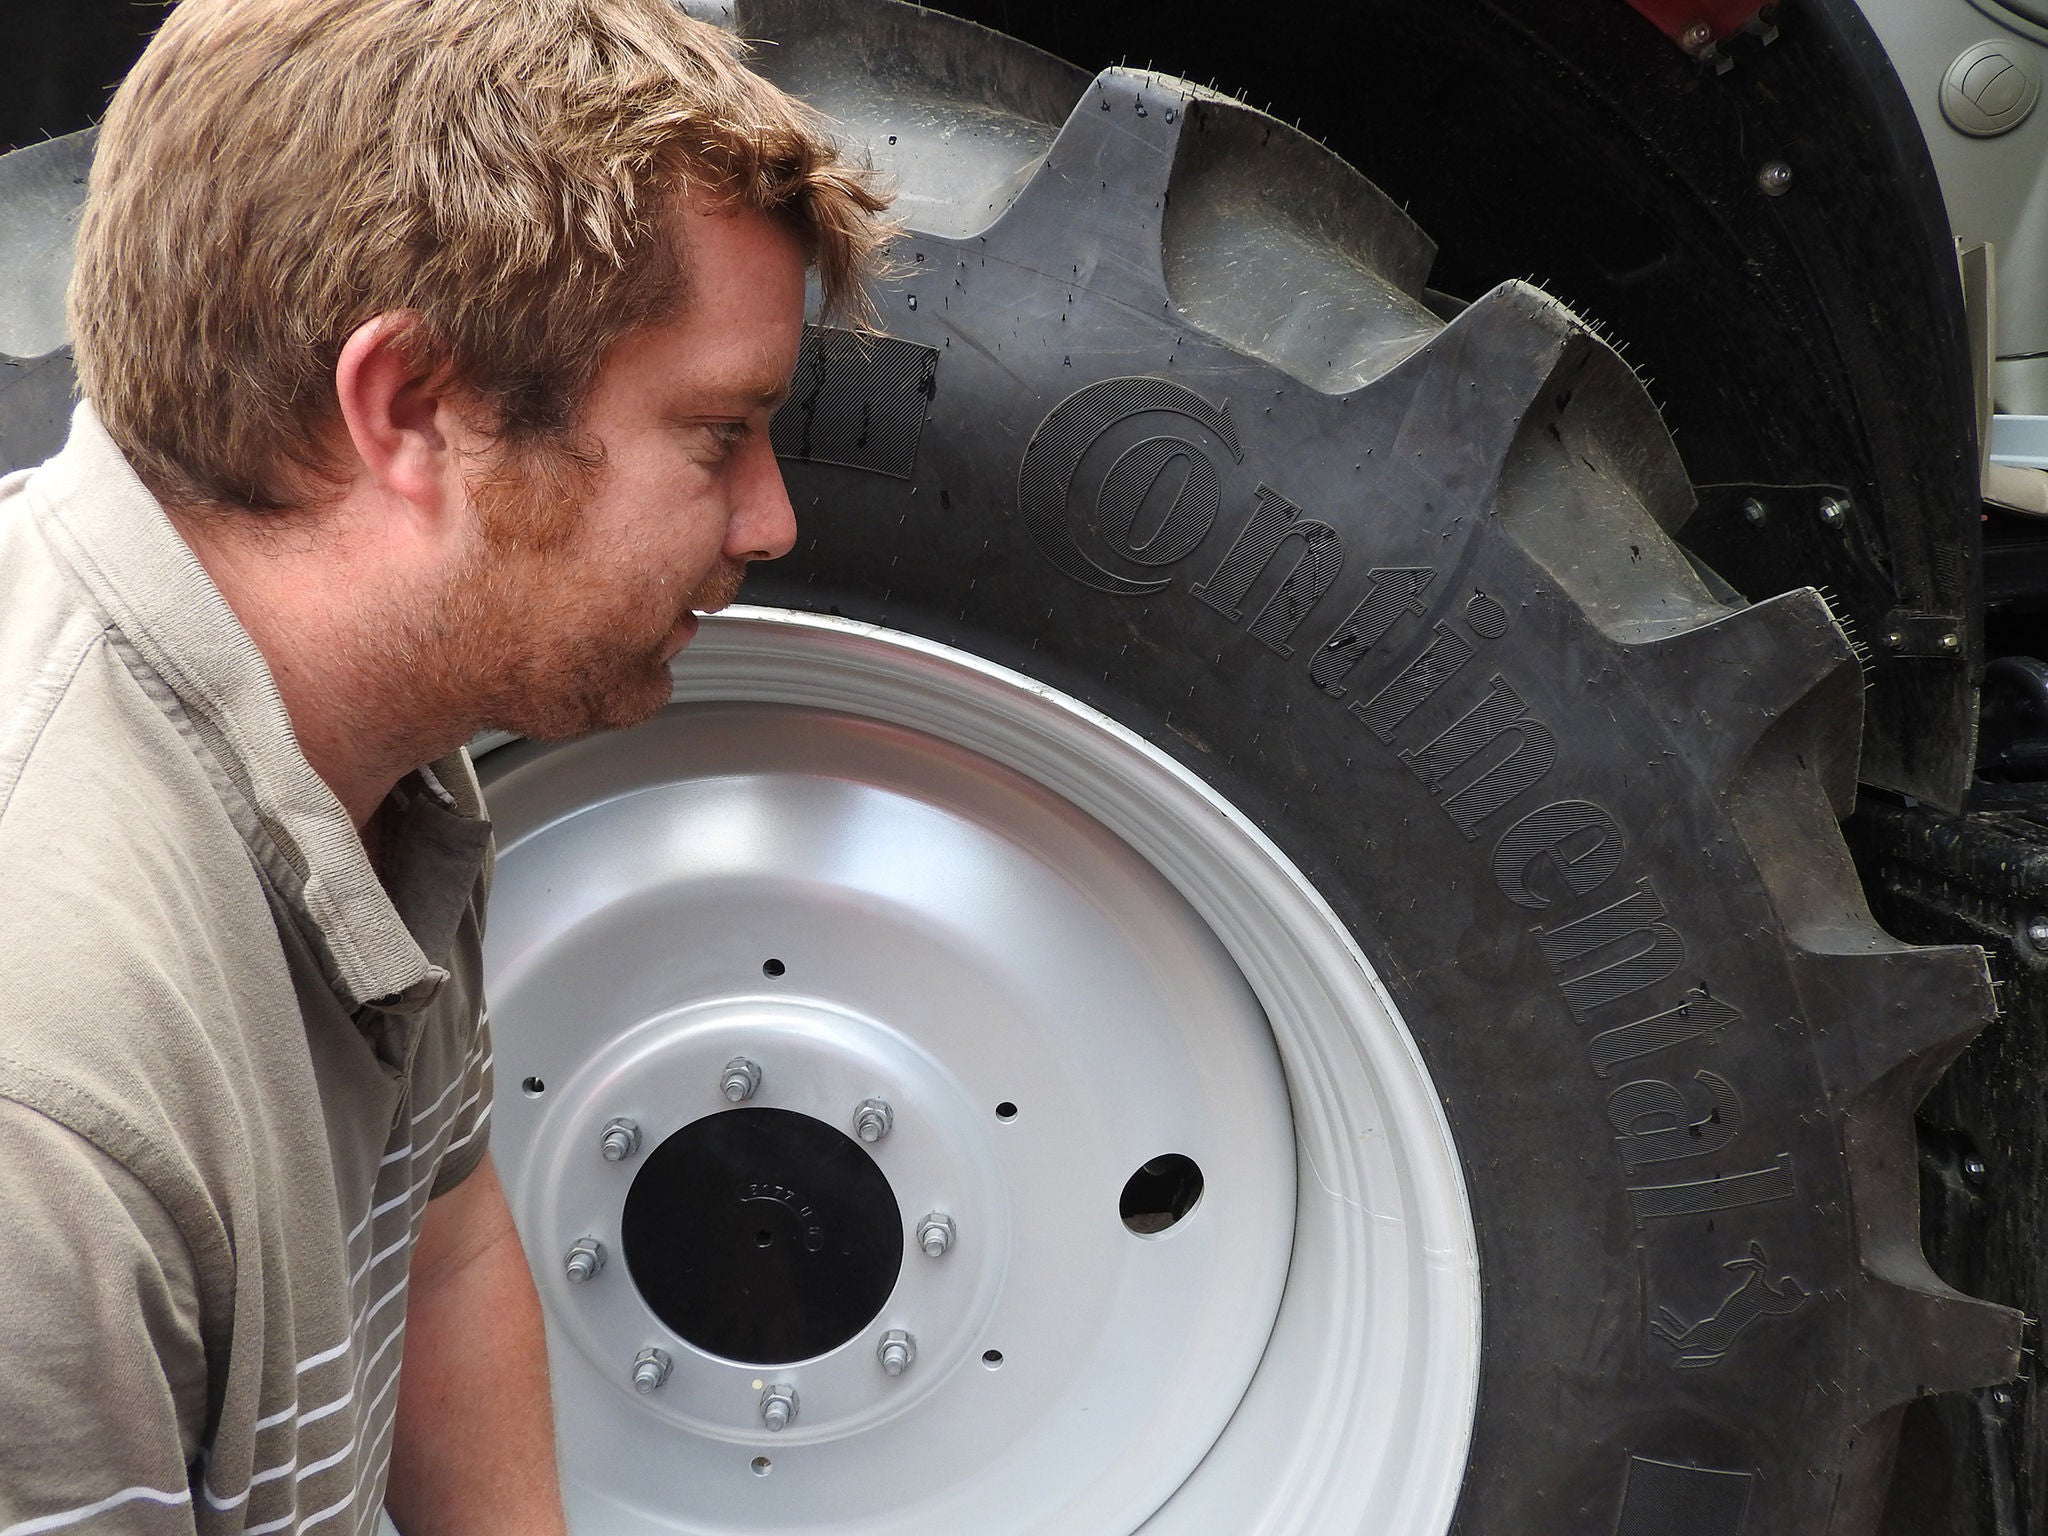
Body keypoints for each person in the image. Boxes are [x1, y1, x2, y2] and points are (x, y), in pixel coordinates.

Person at [0, 0, 890, 1530]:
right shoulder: (53, 1116)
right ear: (412, 409)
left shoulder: (364, 758)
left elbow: (440, 1234)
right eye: (717, 433)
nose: (769, 522)